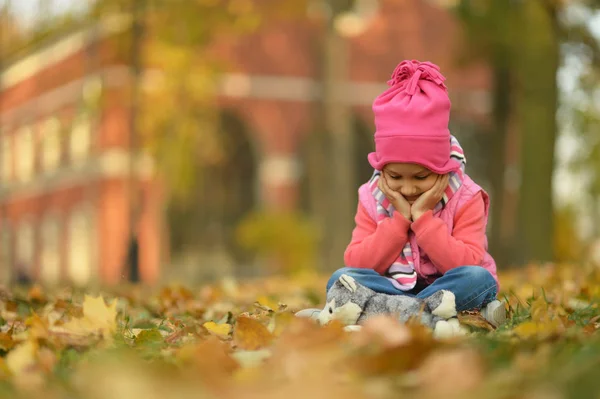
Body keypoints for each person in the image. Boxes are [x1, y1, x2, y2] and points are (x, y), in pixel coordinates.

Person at [297, 60, 506, 327]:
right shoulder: (371, 196)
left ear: (443, 169)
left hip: (449, 286)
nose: (407, 189)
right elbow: (359, 261)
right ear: (383, 171)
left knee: (479, 280)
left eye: (420, 177)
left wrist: (423, 219)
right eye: (395, 177)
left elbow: (464, 263)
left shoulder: (467, 197)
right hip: (392, 288)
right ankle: (428, 318)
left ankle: (373, 314)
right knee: (341, 277)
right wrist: (398, 221)